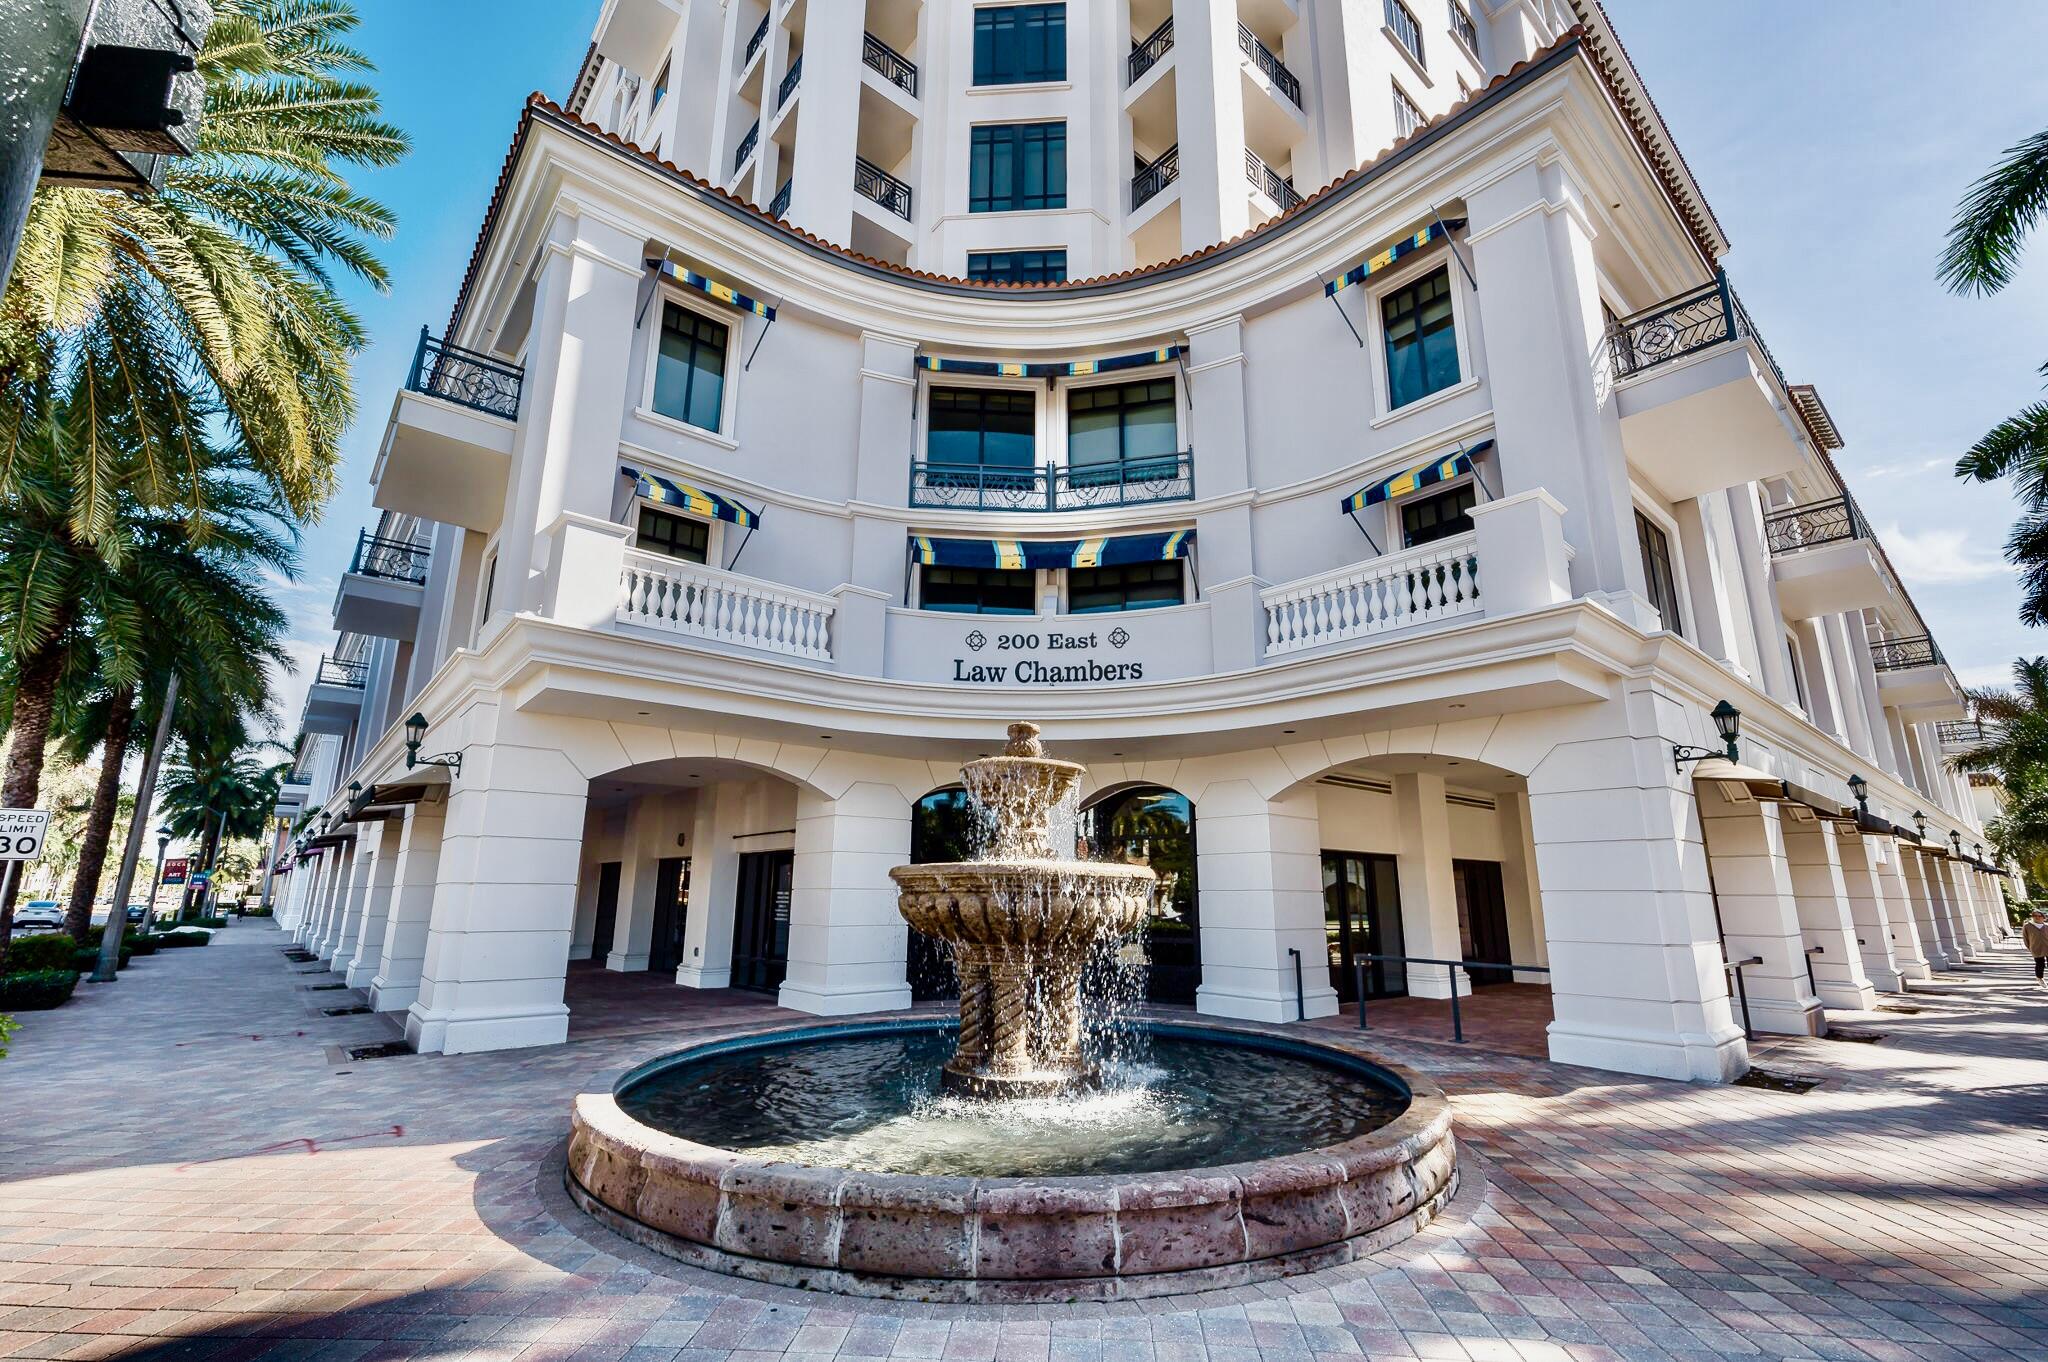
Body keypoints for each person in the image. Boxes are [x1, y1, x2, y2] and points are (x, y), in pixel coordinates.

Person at [2025, 908, 2048, 987]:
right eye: (2034, 916)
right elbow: (2026, 938)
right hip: (2036, 948)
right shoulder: (2027, 926)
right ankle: (2040, 978)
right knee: (2040, 964)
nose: (2037, 917)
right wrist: (2030, 948)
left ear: (2043, 917)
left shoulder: (2046, 926)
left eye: (2039, 916)